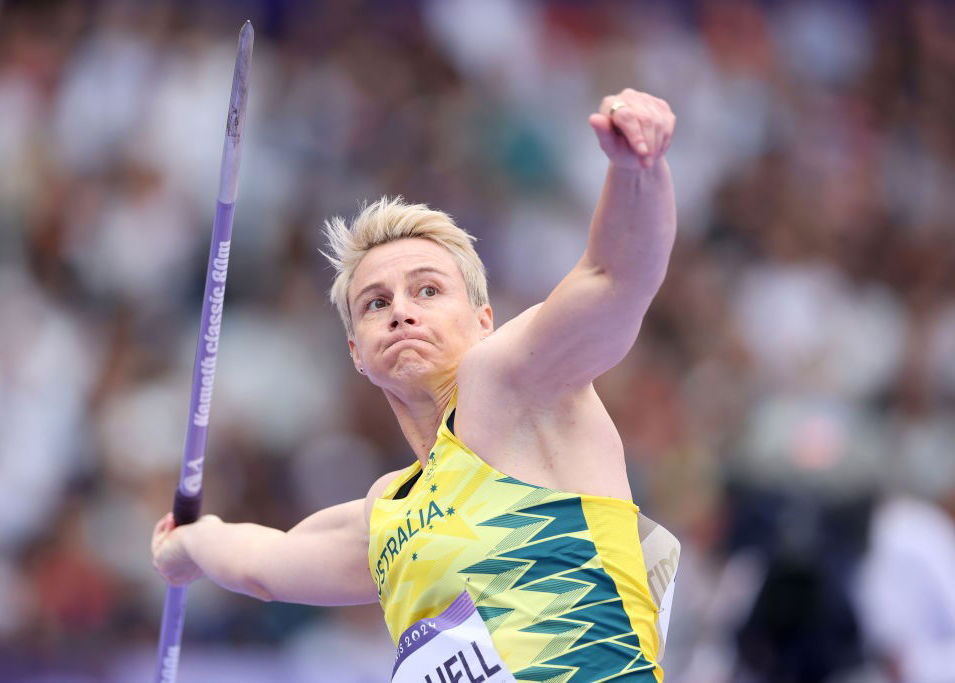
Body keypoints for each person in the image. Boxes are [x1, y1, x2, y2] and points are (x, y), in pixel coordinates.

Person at [152, 88, 678, 682]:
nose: (401, 312)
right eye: (376, 303)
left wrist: (638, 169)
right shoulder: (387, 516)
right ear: (356, 351)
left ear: (484, 319)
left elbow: (613, 277)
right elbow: (264, 566)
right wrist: (190, 546)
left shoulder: (514, 383)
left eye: (427, 290)